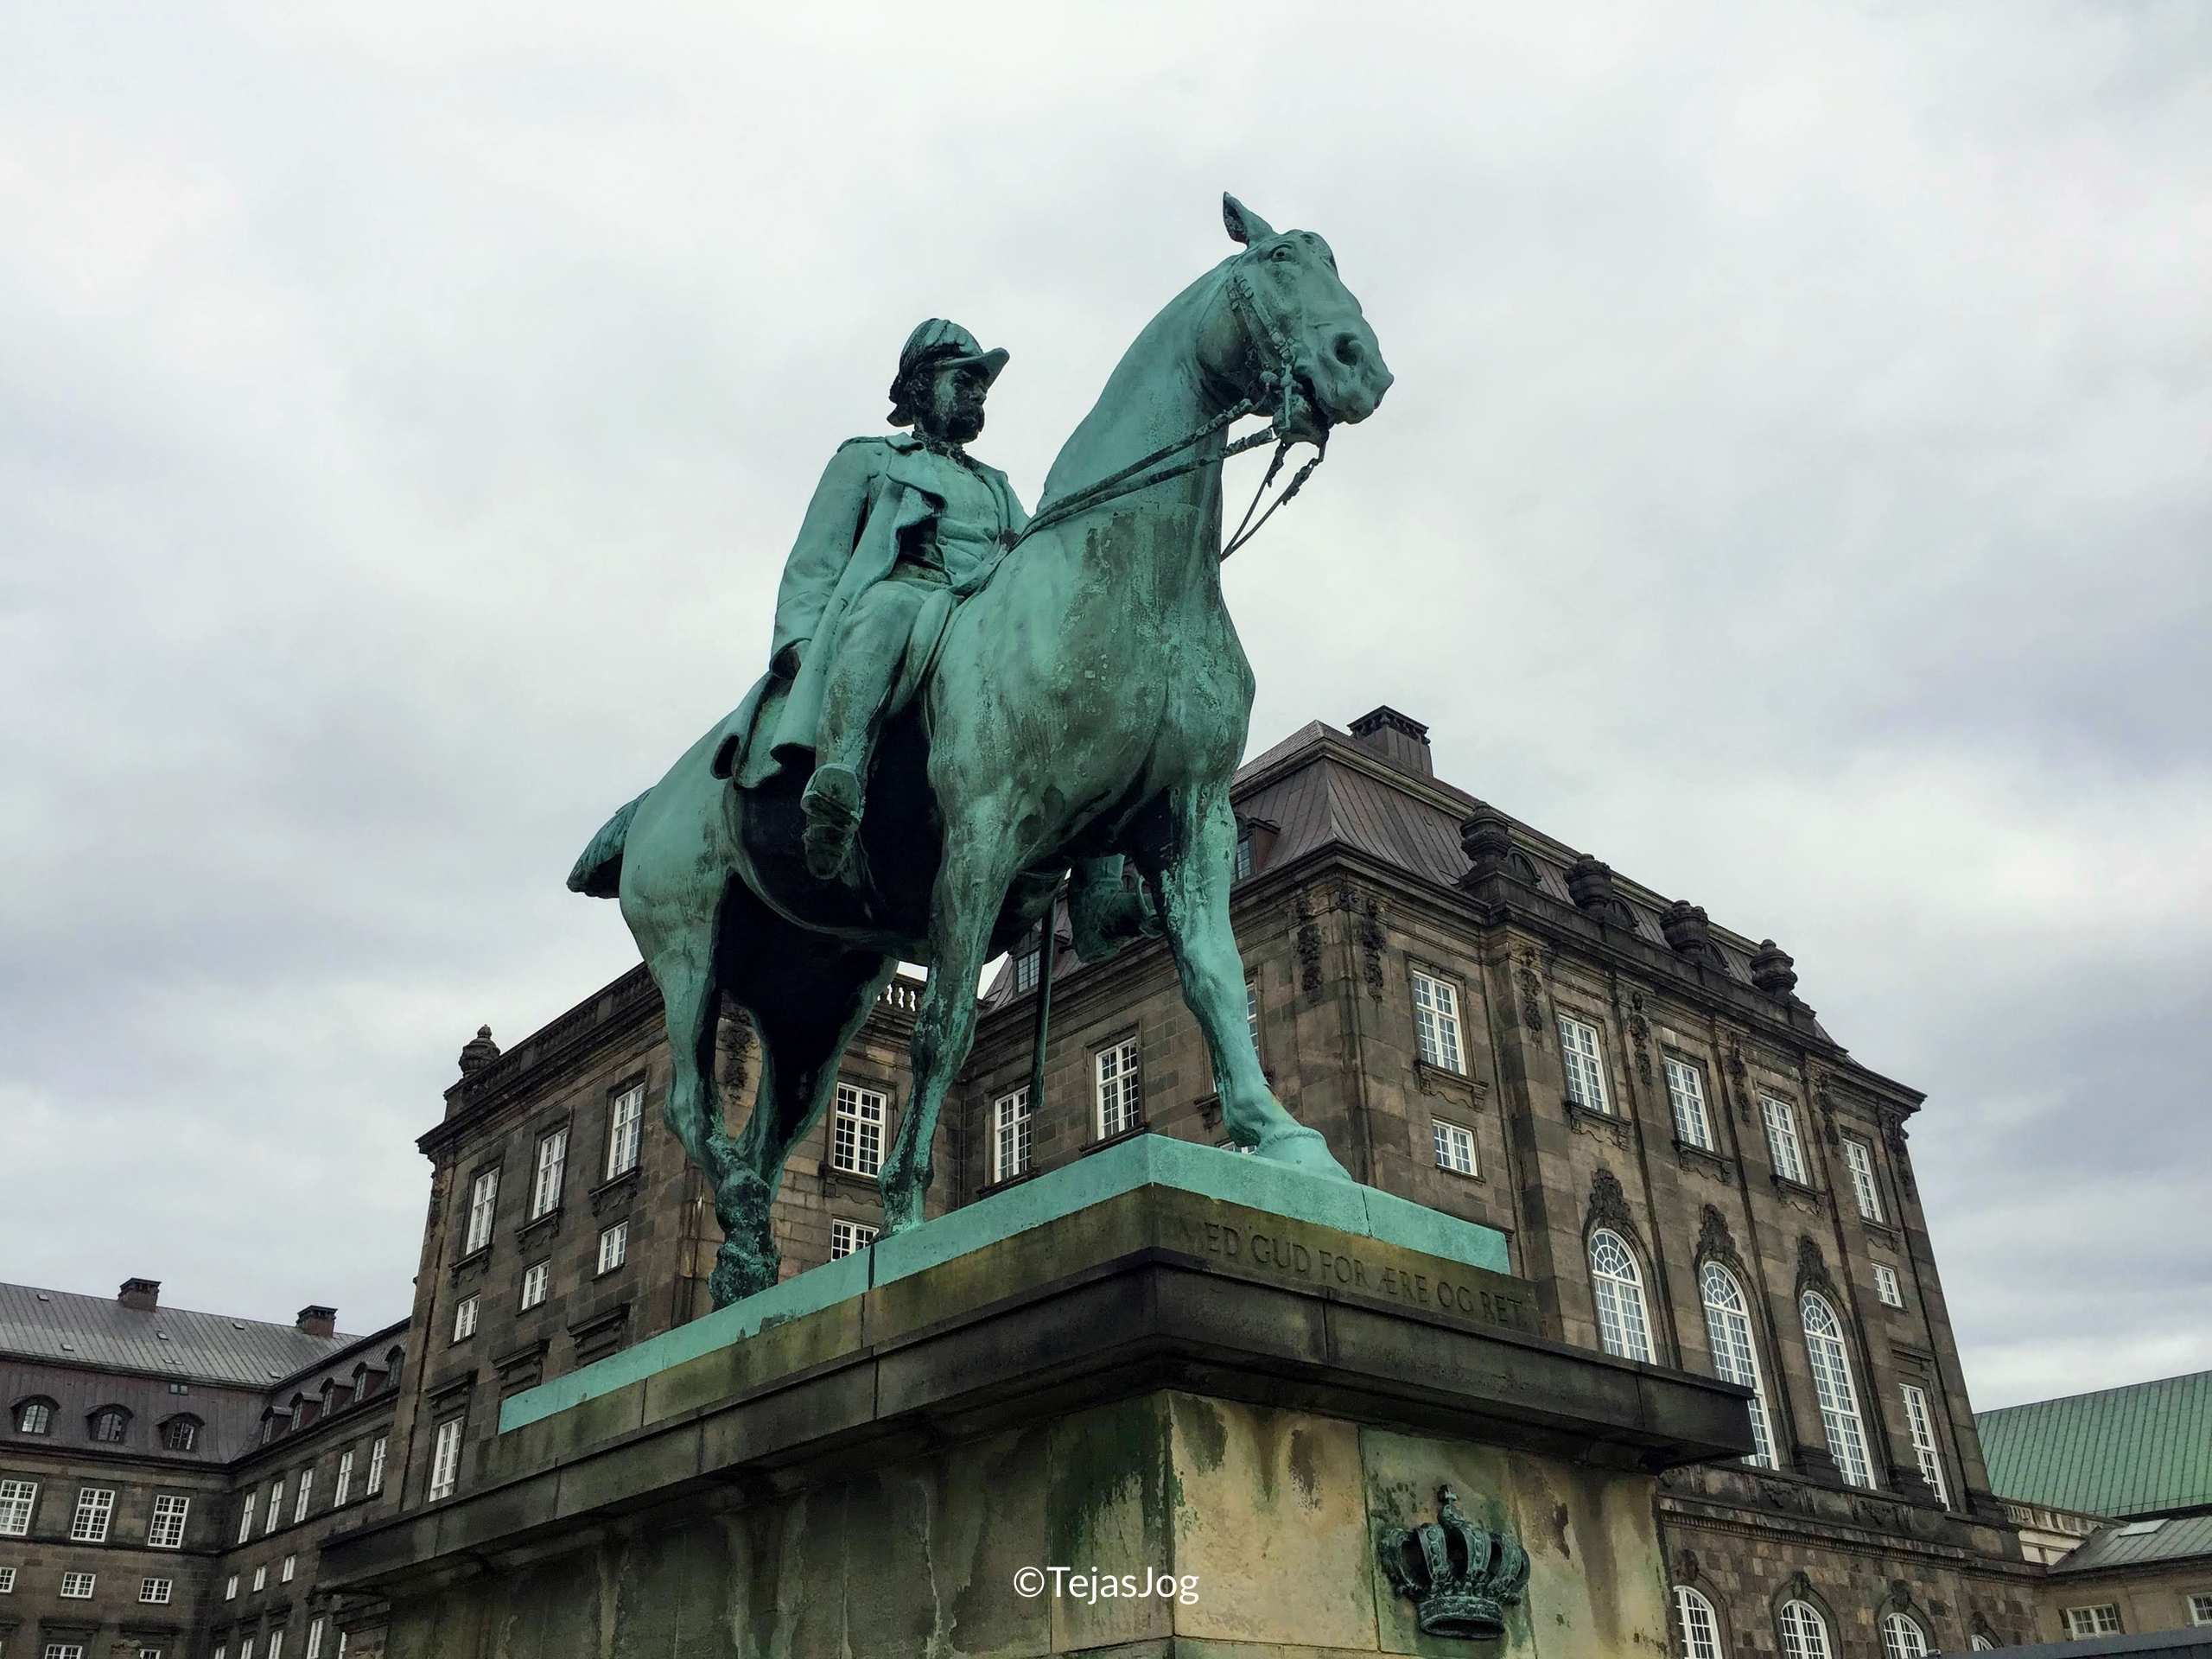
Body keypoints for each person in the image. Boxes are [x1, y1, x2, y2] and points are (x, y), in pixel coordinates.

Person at [751, 319, 1027, 879]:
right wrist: (802, 648)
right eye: (964, 380)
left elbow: (1034, 555)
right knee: (889, 606)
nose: (978, 393)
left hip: (986, 622)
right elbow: (816, 560)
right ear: (922, 385)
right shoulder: (869, 460)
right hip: (901, 608)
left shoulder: (996, 484)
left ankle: (1099, 876)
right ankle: (839, 782)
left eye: (982, 385)